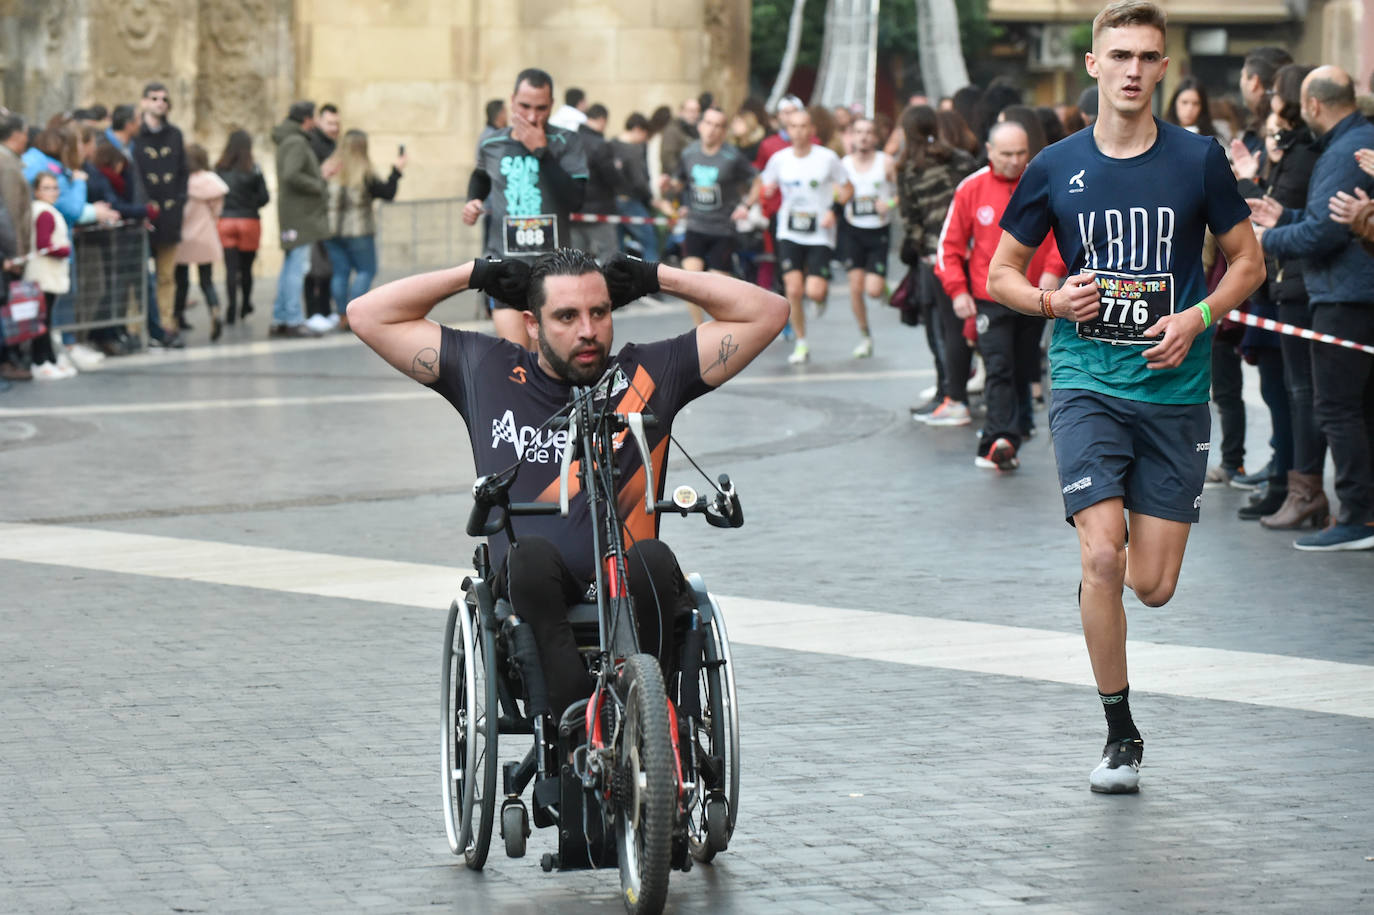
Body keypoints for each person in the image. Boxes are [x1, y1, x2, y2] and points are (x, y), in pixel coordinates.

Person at [986, 0, 1264, 793]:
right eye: (1121, 55)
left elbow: (1247, 261)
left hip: (1175, 388)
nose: (1135, 70)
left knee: (1154, 584)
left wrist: (1198, 315)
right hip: (1085, 380)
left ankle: (1103, 578)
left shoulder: (1199, 158)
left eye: (1148, 56)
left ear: (1165, 67)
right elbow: (1001, 273)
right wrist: (1051, 302)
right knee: (1103, 553)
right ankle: (1119, 732)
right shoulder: (1054, 165)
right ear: (1094, 66)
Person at [347, 248, 788, 723]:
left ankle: (654, 718)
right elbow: (367, 315)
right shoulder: (485, 370)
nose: (587, 330)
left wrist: (655, 276)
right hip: (531, 597)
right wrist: (475, 273)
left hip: (634, 590)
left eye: (599, 312)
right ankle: (578, 718)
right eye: (566, 316)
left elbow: (769, 312)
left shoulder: (648, 373)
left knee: (656, 560)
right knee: (530, 558)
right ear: (531, 324)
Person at [1251, 66, 1374, 551]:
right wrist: (1288, 216)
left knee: (1337, 408)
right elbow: (1328, 219)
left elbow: (1327, 234)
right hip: (1349, 293)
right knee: (1357, 409)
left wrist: (1268, 238)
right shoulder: (1354, 143)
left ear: (1314, 105)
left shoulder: (1347, 150)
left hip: (1344, 298)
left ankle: (1358, 516)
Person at [936, 121, 1065, 469]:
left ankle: (1018, 427)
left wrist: (1054, 268)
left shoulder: (1042, 183)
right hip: (989, 298)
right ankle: (998, 439)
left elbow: (1064, 231)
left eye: (1021, 153)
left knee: (1024, 366)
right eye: (1006, 153)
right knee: (999, 367)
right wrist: (957, 291)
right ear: (990, 151)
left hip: (1035, 296)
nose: (1014, 160)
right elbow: (949, 246)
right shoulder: (971, 188)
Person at [462, 68, 588, 347]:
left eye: (541, 108)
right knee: (517, 362)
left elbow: (575, 200)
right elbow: (480, 176)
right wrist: (474, 200)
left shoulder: (567, 142)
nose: (532, 117)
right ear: (512, 101)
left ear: (552, 104)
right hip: (506, 267)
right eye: (525, 107)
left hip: (554, 273)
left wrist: (542, 152)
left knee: (549, 366)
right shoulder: (492, 143)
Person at [896, 104, 978, 421]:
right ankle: (955, 391)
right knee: (964, 326)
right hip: (970, 251)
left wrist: (918, 249)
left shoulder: (907, 168)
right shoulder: (961, 159)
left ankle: (949, 394)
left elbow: (911, 220)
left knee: (942, 328)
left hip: (935, 257)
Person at [758, 106, 854, 364]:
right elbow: (764, 182)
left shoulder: (827, 158)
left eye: (804, 127)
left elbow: (847, 188)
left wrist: (834, 211)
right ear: (788, 131)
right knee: (793, 288)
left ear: (812, 130)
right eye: (794, 127)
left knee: (814, 291)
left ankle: (820, 297)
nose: (799, 132)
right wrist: (764, 193)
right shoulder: (780, 159)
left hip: (820, 232)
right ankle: (801, 342)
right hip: (789, 230)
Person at [659, 105, 756, 325]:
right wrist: (668, 185)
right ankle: (700, 329)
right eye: (709, 124)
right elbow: (679, 182)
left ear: (724, 131)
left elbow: (756, 180)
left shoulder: (732, 156)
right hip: (696, 225)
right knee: (690, 281)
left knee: (718, 285)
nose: (712, 130)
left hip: (723, 229)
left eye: (718, 126)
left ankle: (727, 324)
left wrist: (746, 205)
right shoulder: (689, 153)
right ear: (701, 125)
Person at [322, 129, 404, 331]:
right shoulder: (365, 173)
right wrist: (397, 171)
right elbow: (388, 193)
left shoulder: (328, 169)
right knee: (366, 270)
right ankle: (353, 314)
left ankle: (342, 315)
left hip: (331, 231)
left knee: (340, 273)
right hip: (359, 231)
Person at [131, 82, 188, 344]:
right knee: (136, 275)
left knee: (166, 275)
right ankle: (133, 326)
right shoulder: (135, 136)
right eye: (154, 98)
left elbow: (181, 172)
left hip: (169, 215)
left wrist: (178, 202)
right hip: (143, 214)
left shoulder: (175, 134)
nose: (159, 103)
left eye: (164, 99)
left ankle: (166, 323)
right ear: (144, 102)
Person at [270, 100, 330, 338]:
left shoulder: (289, 140)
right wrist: (318, 184)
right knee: (297, 267)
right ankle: (293, 319)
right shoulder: (296, 141)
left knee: (290, 266)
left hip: (293, 214)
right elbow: (292, 174)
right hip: (300, 216)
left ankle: (281, 317)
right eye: (314, 117)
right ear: (306, 119)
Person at [838, 117, 896, 357]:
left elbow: (901, 193)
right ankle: (865, 336)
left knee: (872, 290)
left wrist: (889, 203)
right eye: (858, 132)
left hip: (878, 230)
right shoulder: (844, 165)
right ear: (851, 136)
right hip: (852, 230)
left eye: (868, 132)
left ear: (876, 137)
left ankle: (882, 288)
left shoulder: (886, 162)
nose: (863, 137)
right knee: (856, 287)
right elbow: (836, 194)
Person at [215, 130, 270, 327]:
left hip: (226, 221)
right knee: (246, 268)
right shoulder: (253, 169)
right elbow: (265, 198)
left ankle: (231, 307)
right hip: (249, 222)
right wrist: (251, 202)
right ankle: (245, 303)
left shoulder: (219, 169)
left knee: (230, 269)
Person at [174, 144, 228, 342]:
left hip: (182, 236)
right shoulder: (210, 182)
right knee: (207, 280)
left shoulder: (180, 182)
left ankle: (177, 316)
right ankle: (214, 308)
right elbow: (217, 211)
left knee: (181, 282)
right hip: (205, 236)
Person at [24, 173, 75, 379]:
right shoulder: (44, 213)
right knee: (43, 322)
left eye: (54, 187)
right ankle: (41, 361)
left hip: (46, 274)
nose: (52, 192)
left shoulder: (44, 211)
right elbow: (44, 245)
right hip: (44, 274)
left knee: (44, 320)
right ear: (37, 191)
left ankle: (49, 359)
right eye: (47, 188)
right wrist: (65, 250)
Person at [1, 110, 34, 381]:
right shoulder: (7, 164)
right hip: (9, 249)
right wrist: (15, 254)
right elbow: (10, 212)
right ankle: (7, 360)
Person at [304, 103, 341, 323]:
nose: (334, 127)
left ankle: (325, 311)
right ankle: (315, 312)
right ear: (318, 121)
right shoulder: (313, 145)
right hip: (315, 213)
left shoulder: (332, 144)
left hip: (327, 212)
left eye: (337, 123)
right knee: (315, 266)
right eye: (330, 123)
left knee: (326, 265)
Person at [571, 104, 621, 263]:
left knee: (575, 260)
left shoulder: (570, 140)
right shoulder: (600, 144)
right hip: (599, 211)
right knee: (608, 256)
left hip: (573, 210)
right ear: (602, 120)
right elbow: (611, 177)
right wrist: (618, 170)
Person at [609, 113, 659, 264]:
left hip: (612, 201)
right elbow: (639, 181)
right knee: (649, 241)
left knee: (618, 247)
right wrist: (651, 198)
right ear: (638, 129)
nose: (645, 140)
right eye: (645, 135)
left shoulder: (610, 144)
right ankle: (653, 279)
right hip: (631, 201)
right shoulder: (634, 150)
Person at [658, 97, 701, 180]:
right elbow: (668, 159)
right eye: (691, 111)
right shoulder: (672, 130)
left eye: (697, 111)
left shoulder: (695, 129)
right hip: (676, 181)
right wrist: (684, 175)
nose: (694, 114)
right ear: (681, 112)